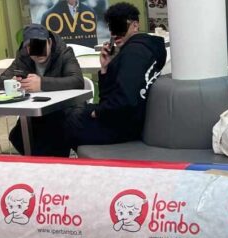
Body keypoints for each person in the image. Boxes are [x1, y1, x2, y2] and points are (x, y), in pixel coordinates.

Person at [63, 2, 167, 149]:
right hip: (126, 120)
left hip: (123, 126)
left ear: (135, 25)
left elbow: (125, 100)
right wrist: (106, 68)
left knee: (63, 122)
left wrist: (97, 112)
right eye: (112, 28)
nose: (114, 34)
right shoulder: (145, 49)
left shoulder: (134, 54)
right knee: (70, 114)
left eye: (119, 26)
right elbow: (111, 96)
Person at [0, 24, 84, 157]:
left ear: (49, 42)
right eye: (32, 47)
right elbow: (1, 80)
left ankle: (47, 163)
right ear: (26, 48)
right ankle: (40, 162)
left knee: (51, 134)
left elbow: (77, 81)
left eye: (41, 46)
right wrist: (13, 81)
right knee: (17, 136)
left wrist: (42, 83)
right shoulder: (23, 57)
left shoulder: (64, 53)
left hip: (65, 108)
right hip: (36, 109)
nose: (37, 53)